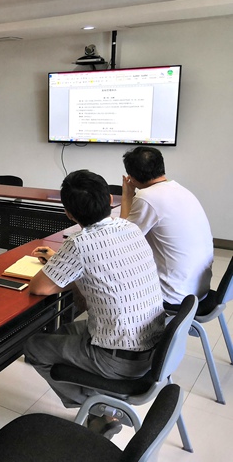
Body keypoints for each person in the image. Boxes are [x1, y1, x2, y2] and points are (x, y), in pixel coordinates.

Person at [23, 170, 165, 439]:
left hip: (118, 360)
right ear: (109, 199)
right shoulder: (130, 228)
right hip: (153, 349)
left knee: (34, 346)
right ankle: (100, 399)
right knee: (62, 332)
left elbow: (39, 288)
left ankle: (100, 409)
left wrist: (62, 264)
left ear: (69, 214)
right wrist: (63, 263)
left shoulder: (80, 244)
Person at [121, 146, 213, 306]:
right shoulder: (181, 189)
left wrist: (127, 194)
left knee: (112, 272)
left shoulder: (146, 197)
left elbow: (121, 240)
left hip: (174, 295)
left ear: (132, 177)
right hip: (199, 289)